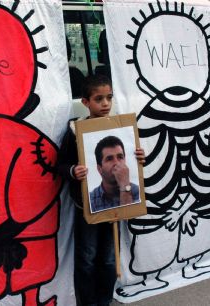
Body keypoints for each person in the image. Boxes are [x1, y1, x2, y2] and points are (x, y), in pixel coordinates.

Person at [57, 74, 145, 306]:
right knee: (86, 257)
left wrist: (139, 159)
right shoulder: (76, 130)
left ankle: (104, 300)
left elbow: (135, 171)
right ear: (86, 102)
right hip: (87, 206)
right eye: (99, 99)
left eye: (109, 98)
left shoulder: (122, 129)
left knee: (108, 258)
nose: (105, 104)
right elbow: (60, 164)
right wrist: (73, 170)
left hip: (116, 208)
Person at [90, 135, 140, 213]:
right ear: (99, 169)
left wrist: (124, 185)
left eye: (120, 157)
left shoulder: (139, 192)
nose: (116, 163)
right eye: (109, 159)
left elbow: (129, 218)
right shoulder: (90, 200)